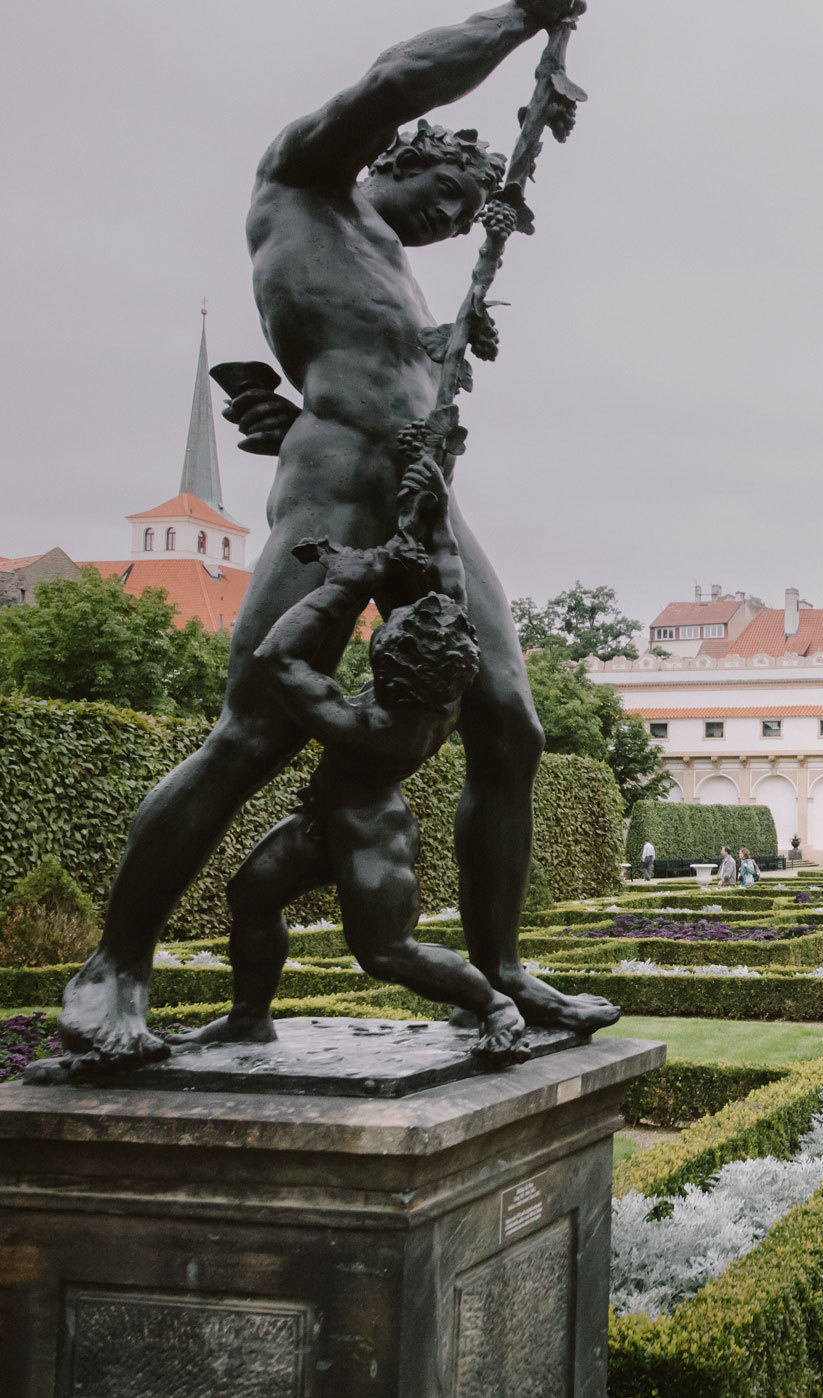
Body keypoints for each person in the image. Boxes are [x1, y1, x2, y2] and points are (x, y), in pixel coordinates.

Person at [44, 0, 613, 1075]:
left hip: (425, 503)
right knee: (253, 734)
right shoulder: (302, 183)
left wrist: (445, 347)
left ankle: (495, 974)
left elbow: (394, 364)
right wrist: (516, 22)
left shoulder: (389, 260)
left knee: (511, 729)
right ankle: (112, 966)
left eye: (463, 213)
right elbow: (397, 77)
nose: (448, 221)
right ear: (397, 157)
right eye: (441, 194)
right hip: (336, 490)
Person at [165, 461, 530, 1064]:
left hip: (370, 836)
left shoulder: (373, 728)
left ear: (392, 666)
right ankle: (248, 1019)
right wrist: (433, 513)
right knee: (252, 896)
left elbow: (278, 658)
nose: (389, 622)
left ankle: (495, 1007)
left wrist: (343, 585)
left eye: (392, 631)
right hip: (324, 821)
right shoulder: (442, 686)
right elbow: (451, 588)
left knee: (388, 952)